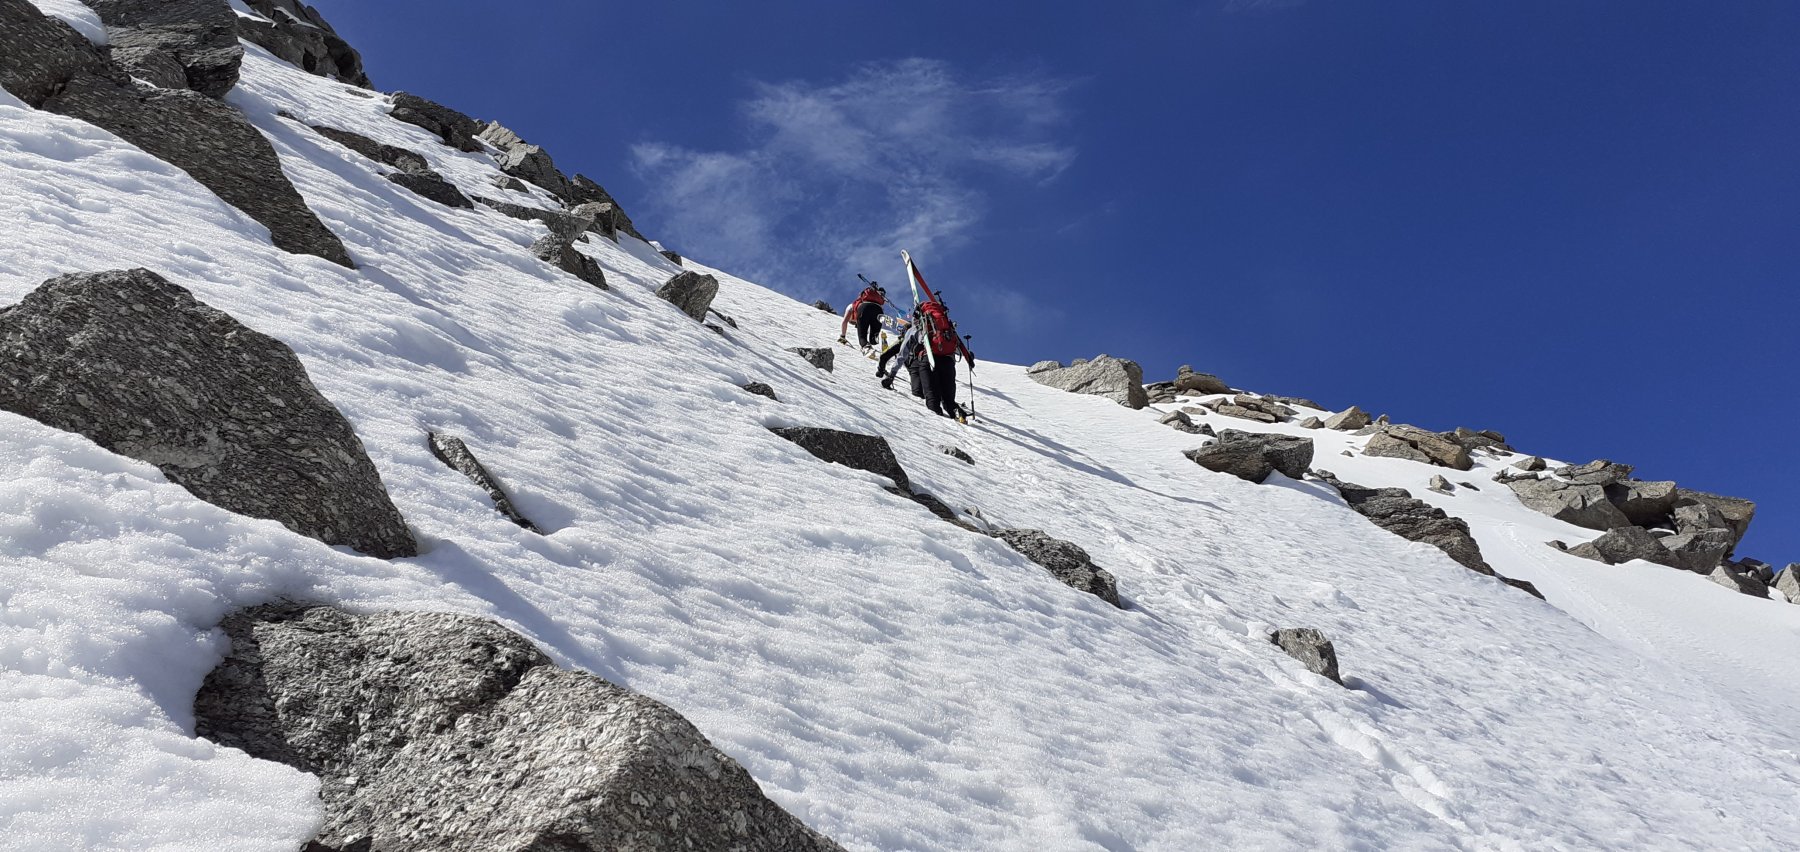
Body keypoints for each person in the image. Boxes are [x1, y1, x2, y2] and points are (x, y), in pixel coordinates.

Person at [914, 298, 974, 419]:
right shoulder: (946, 322)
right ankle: (957, 414)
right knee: (948, 399)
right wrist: (969, 359)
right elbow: (958, 342)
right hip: (947, 360)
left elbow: (920, 339)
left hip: (929, 358)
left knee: (932, 396)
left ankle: (937, 423)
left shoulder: (924, 320)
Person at [838, 282, 887, 349]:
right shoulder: (861, 301)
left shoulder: (851, 306)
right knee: (873, 340)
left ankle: (866, 347)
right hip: (878, 309)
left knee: (862, 338)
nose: (855, 322)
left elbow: (844, 322)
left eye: (853, 322)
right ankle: (883, 340)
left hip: (865, 309)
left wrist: (843, 336)